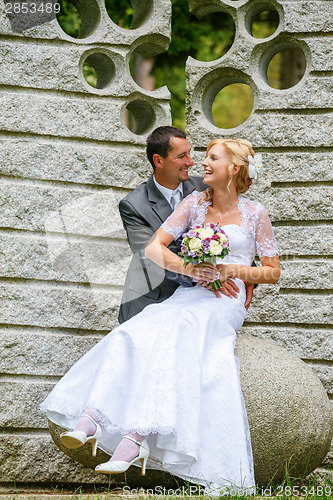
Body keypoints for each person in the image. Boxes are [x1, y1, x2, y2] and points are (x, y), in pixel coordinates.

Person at [40, 138, 280, 495]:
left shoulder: (255, 213)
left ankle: (136, 438)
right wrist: (192, 269)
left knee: (180, 330)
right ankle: (90, 418)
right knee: (135, 330)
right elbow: (153, 247)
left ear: (234, 168)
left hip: (223, 303)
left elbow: (273, 271)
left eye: (212, 158)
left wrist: (229, 271)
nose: (202, 163)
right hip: (191, 292)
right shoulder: (194, 203)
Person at [118, 126, 253, 324]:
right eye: (181, 156)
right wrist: (208, 276)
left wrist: (246, 275)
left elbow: (235, 227)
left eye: (189, 154)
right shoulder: (134, 205)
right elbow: (149, 255)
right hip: (152, 299)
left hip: (199, 300)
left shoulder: (206, 186)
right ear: (158, 161)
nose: (190, 162)